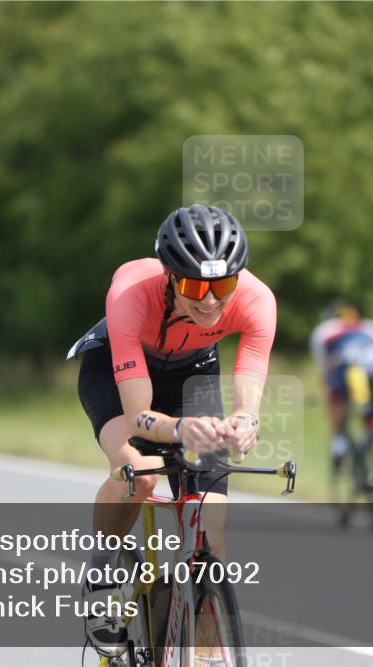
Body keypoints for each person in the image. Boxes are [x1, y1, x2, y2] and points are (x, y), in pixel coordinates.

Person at [67, 204, 277, 657]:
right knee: (138, 471)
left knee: (210, 520)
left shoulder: (258, 299)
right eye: (194, 286)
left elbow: (250, 383)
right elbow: (140, 414)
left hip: (192, 376)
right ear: (168, 276)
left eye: (222, 285)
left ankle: (202, 649)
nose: (209, 300)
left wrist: (246, 421)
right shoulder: (130, 293)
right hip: (118, 371)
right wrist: (182, 429)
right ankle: (102, 579)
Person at [309, 300, 373, 488]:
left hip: (347, 371)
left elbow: (324, 369)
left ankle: (339, 441)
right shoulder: (372, 327)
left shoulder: (324, 331)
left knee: (334, 397)